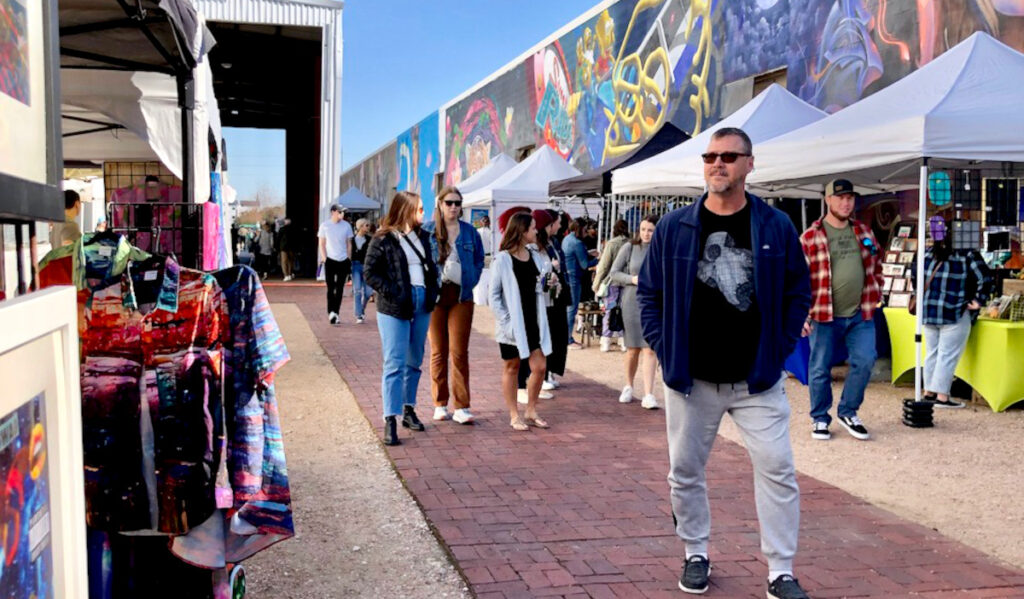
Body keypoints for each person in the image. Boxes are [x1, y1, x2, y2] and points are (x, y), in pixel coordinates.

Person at [637, 127, 812, 599]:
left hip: (756, 378)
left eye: (729, 156)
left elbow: (799, 290)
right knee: (685, 470)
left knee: (777, 467)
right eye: (711, 156)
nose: (718, 164)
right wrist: (663, 344)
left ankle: (781, 570)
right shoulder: (676, 226)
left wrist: (777, 348)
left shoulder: (775, 226)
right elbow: (648, 293)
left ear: (749, 165)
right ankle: (696, 551)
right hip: (691, 378)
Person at [799, 178, 883, 441]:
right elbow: (796, 279)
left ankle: (848, 411)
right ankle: (820, 418)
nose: (846, 203)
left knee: (865, 360)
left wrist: (877, 289)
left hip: (860, 312)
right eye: (840, 198)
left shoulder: (863, 231)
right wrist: (801, 314)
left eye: (850, 198)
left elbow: (877, 261)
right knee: (820, 367)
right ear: (828, 200)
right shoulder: (810, 237)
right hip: (823, 314)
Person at [363, 191, 439, 446]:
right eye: (418, 209)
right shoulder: (383, 238)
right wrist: (393, 291)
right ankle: (390, 418)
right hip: (394, 307)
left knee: (414, 361)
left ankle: (408, 408)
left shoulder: (423, 237)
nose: (422, 213)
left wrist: (432, 292)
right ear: (404, 210)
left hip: (422, 303)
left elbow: (431, 267)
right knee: (394, 362)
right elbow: (369, 273)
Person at [912, 217, 993, 409]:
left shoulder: (926, 253)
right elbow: (985, 278)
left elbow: (915, 278)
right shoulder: (968, 255)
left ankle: (928, 392)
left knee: (931, 352)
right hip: (955, 311)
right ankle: (942, 396)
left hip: (929, 311)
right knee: (947, 355)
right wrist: (979, 300)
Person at [423, 187, 485, 424]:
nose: (454, 207)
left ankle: (462, 406)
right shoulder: (427, 231)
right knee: (438, 351)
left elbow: (479, 259)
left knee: (459, 352)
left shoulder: (470, 232)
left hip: (461, 295)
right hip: (436, 295)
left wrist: (472, 279)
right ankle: (439, 403)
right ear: (439, 203)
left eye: (458, 203)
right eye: (449, 202)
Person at [489, 211, 553, 431]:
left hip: (533, 320)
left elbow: (541, 286)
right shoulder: (503, 260)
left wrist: (548, 282)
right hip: (512, 323)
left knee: (540, 366)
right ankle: (514, 414)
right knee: (512, 366)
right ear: (522, 230)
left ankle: (531, 409)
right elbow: (494, 295)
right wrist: (506, 322)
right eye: (533, 228)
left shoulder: (535, 256)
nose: (537, 231)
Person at [609, 214, 660, 409]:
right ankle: (628, 385)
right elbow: (614, 272)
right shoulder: (629, 247)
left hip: (653, 302)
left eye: (651, 230)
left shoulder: (661, 250)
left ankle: (648, 393)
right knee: (632, 348)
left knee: (650, 348)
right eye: (644, 229)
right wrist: (633, 279)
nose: (646, 234)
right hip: (631, 301)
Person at [592, 219, 631, 352]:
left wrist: (596, 283)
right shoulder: (632, 244)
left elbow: (604, 266)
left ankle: (606, 339)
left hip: (612, 281)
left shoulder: (611, 244)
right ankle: (623, 339)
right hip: (627, 281)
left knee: (609, 310)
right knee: (625, 310)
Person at [562, 217, 598, 349]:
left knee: (568, 309)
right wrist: (599, 259)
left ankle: (566, 337)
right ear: (581, 228)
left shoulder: (567, 239)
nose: (587, 231)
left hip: (567, 275)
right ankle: (568, 340)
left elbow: (572, 254)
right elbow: (584, 265)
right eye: (586, 228)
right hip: (574, 278)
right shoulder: (577, 243)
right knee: (572, 309)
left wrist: (587, 252)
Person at [318, 204, 355, 324]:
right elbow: (322, 243)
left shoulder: (347, 226)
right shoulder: (325, 225)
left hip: (343, 259)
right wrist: (324, 258)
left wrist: (349, 258)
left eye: (343, 212)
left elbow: (349, 243)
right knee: (331, 287)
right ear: (333, 212)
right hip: (330, 259)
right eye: (340, 212)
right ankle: (330, 312)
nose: (342, 214)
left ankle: (336, 313)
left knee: (340, 288)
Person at [351, 218, 373, 323]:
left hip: (367, 267)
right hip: (355, 266)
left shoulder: (370, 240)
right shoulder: (351, 239)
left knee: (368, 292)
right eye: (366, 225)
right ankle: (359, 315)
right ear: (360, 226)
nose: (368, 227)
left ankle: (362, 309)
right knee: (357, 291)